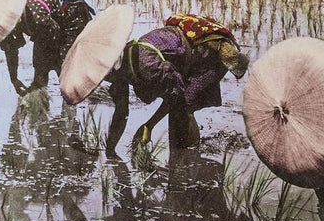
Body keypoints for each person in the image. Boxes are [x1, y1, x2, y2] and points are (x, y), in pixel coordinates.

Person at [105, 14, 249, 157]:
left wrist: (149, 125)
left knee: (184, 107)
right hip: (186, 54)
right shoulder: (121, 68)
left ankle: (190, 158)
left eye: (107, 76)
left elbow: (176, 93)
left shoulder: (146, 64)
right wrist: (110, 151)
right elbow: (121, 113)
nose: (108, 79)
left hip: (209, 53)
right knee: (178, 112)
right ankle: (180, 158)